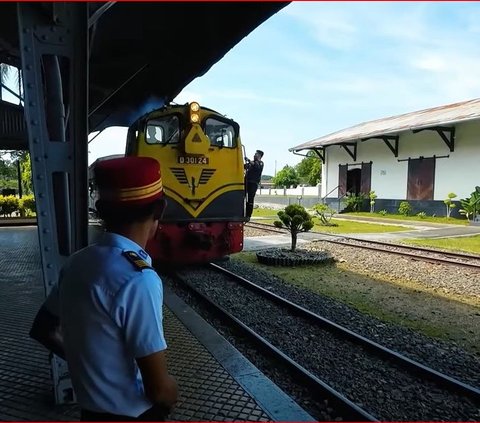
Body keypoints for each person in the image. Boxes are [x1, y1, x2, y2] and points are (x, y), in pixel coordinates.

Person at [29, 156, 178, 422]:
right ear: (160, 209)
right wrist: (172, 393)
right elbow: (159, 391)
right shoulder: (139, 279)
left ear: (100, 208)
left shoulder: (77, 262)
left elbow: (43, 329)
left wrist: (87, 363)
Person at [244, 149, 264, 220]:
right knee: (241, 197)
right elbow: (244, 166)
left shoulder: (260, 163)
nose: (254, 155)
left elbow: (256, 167)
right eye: (254, 154)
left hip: (253, 184)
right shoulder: (251, 163)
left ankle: (248, 215)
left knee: (250, 199)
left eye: (256, 154)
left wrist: (249, 160)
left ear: (259, 156)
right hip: (246, 182)